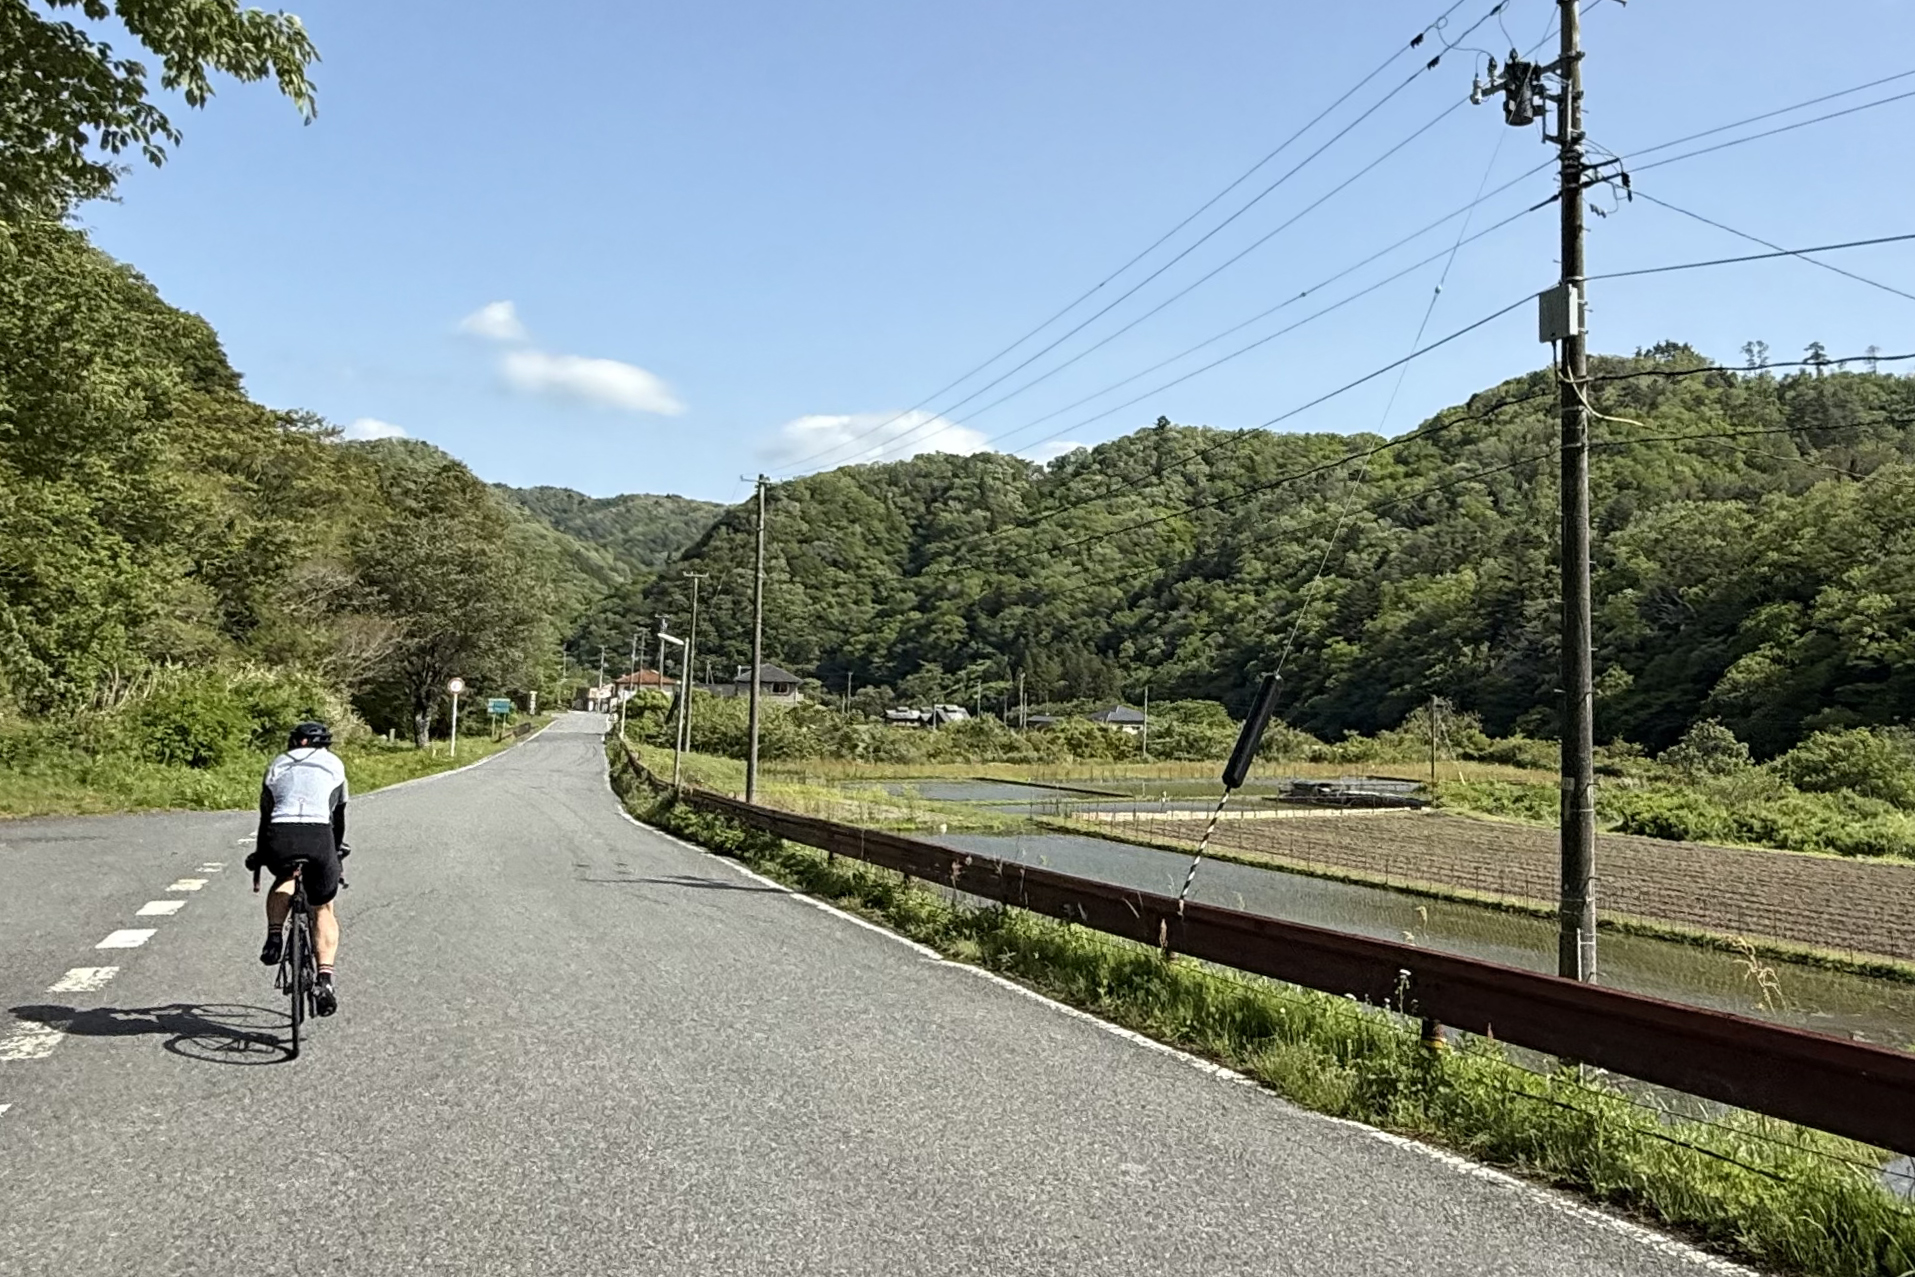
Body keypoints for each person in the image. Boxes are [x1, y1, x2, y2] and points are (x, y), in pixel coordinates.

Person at [245, 720, 349, 1016]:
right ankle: (325, 980)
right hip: (319, 836)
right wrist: (335, 852)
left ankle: (274, 937)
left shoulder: (277, 764)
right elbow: (338, 816)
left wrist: (261, 853)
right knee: (323, 907)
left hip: (280, 835)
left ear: (294, 741)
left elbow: (266, 814)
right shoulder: (334, 765)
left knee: (285, 876)